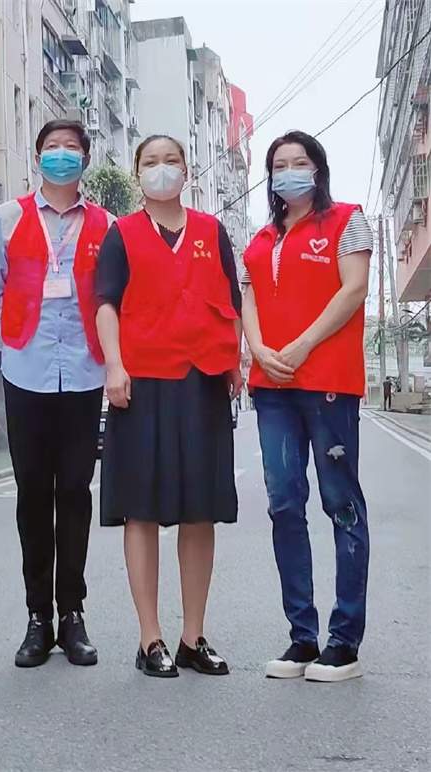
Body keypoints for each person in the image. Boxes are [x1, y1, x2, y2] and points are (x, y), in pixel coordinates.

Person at [96, 135, 242, 678]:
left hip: (202, 381)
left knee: (200, 509)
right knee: (141, 508)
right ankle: (150, 638)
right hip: (141, 384)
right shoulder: (122, 233)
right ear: (138, 173)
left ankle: (192, 636)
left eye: (172, 160)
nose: (162, 169)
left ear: (187, 169)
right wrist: (114, 365)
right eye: (151, 162)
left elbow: (231, 301)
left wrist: (233, 362)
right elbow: (105, 304)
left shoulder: (211, 231)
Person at [0, 120, 114, 668]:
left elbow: (115, 297)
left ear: (85, 158)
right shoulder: (8, 217)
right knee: (33, 496)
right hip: (27, 373)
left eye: (71, 148)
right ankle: (38, 618)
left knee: (75, 494)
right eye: (52, 148)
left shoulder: (106, 224)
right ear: (38, 157)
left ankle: (73, 614)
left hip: (83, 373)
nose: (61, 155)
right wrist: (10, 345)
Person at [242, 130, 372, 682]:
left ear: (318, 169)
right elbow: (247, 298)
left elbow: (354, 289)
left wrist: (302, 345)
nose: (289, 171)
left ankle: (344, 641)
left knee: (341, 504)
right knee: (283, 505)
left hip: (327, 383)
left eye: (299, 162)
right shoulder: (259, 239)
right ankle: (302, 637)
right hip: (271, 387)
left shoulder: (347, 220)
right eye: (279, 165)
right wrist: (259, 349)